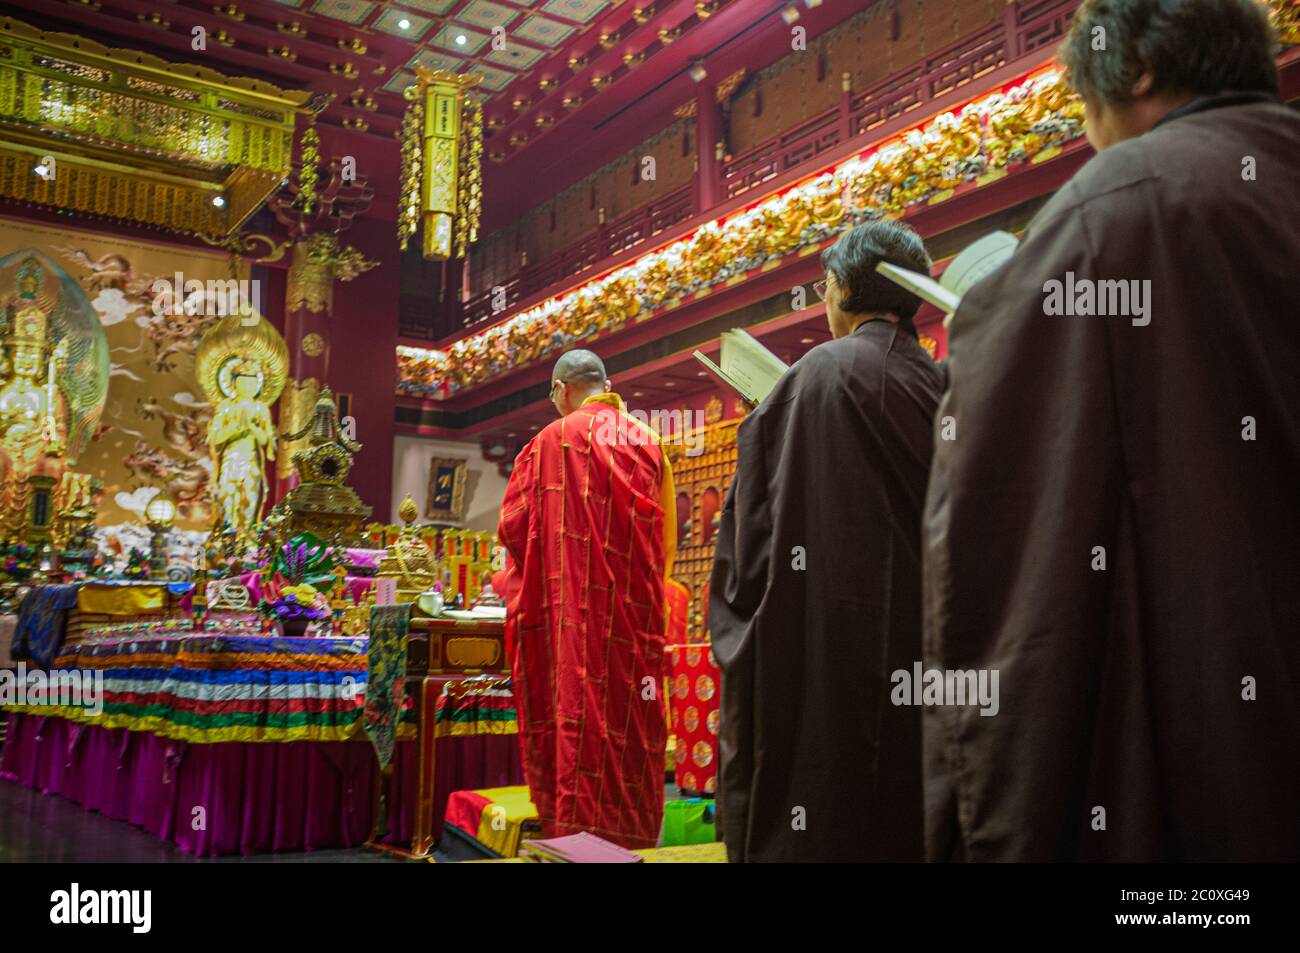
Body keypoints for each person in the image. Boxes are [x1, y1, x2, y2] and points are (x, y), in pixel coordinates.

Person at [923, 0, 1300, 861]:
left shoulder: (1110, 215)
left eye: (1084, 110)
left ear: (1132, 71)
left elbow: (994, 526)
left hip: (1205, 750)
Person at [710, 221, 943, 861]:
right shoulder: (944, 384)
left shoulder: (816, 374)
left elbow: (754, 519)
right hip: (927, 644)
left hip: (823, 639)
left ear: (840, 289)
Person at [497, 348, 677, 849]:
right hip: (633, 625)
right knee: (630, 725)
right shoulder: (650, 442)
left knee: (575, 722)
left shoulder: (547, 443)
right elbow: (666, 544)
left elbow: (513, 529)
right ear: (608, 384)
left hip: (570, 620)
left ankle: (573, 842)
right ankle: (634, 839)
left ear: (560, 390)